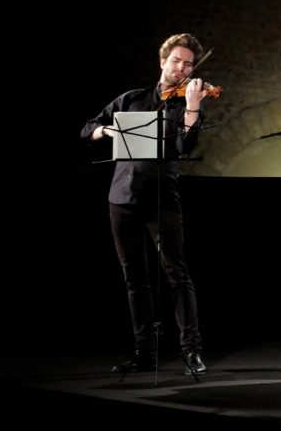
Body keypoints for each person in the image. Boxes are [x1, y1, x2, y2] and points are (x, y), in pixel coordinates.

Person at [80, 33, 208, 376]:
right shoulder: (131, 99)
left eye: (188, 64)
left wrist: (193, 107)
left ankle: (192, 351)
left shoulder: (186, 104)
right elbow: (88, 128)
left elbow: (184, 146)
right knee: (134, 278)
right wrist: (106, 131)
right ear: (163, 61)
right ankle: (144, 353)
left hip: (161, 199)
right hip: (121, 198)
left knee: (177, 275)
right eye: (176, 61)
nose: (181, 68)